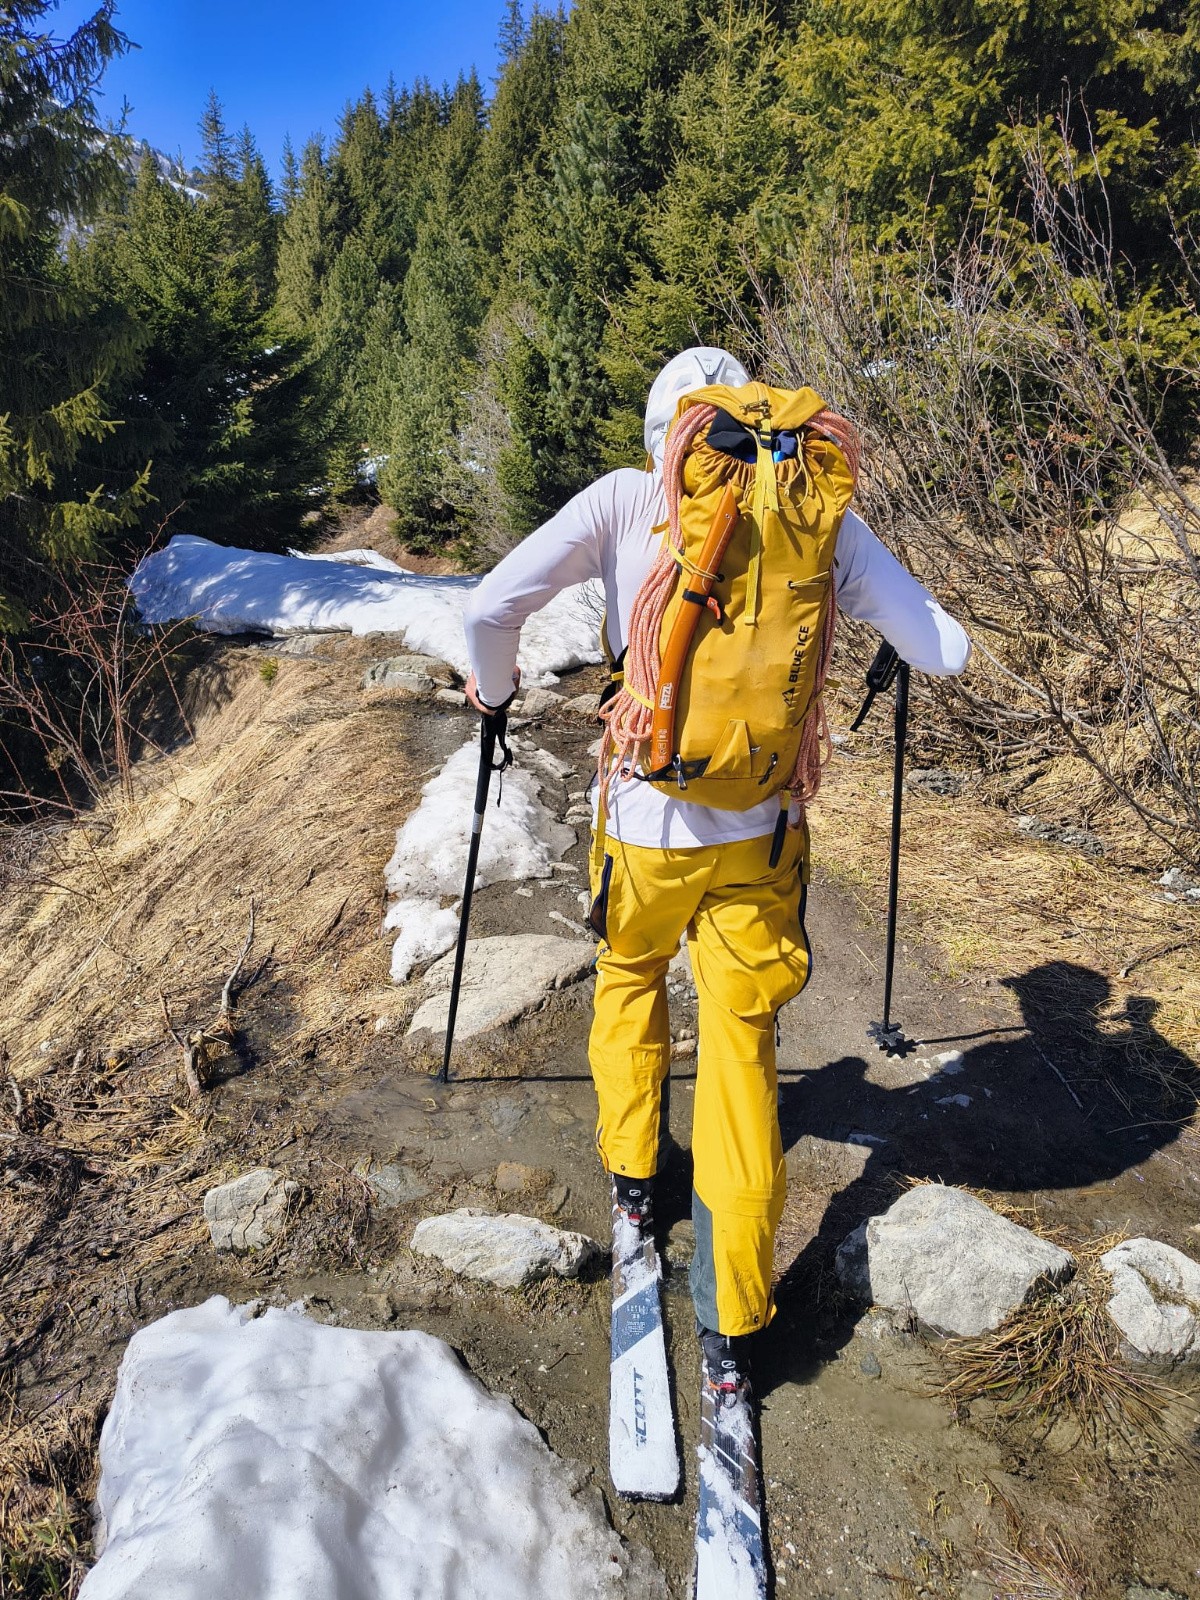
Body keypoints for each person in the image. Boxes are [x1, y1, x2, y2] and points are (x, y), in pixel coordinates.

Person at [463, 347, 971, 1401]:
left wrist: (491, 689)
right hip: (762, 832)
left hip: (645, 825)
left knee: (630, 977)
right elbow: (941, 650)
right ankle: (737, 1318)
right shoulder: (811, 504)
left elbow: (490, 609)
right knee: (743, 1044)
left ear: (673, 435)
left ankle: (640, 1179)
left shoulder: (623, 499)